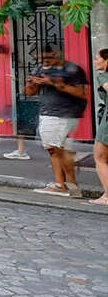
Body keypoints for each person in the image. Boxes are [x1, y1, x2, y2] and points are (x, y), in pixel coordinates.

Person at [27, 44, 89, 197]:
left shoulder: (72, 69)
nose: (44, 62)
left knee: (54, 149)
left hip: (61, 114)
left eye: (47, 58)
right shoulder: (40, 69)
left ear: (58, 55)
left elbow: (84, 93)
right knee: (60, 149)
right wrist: (32, 84)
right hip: (49, 113)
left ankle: (61, 185)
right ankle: (71, 186)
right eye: (40, 59)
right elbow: (29, 92)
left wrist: (54, 83)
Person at [91, 48, 108, 204]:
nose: (95, 61)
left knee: (100, 157)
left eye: (98, 58)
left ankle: (107, 196)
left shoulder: (102, 75)